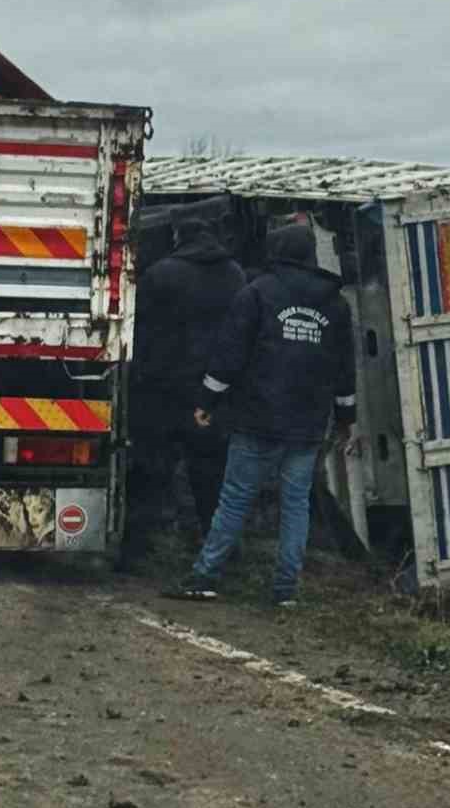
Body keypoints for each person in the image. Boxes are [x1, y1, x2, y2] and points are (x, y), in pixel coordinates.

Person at [173, 221, 357, 608]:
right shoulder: (335, 304)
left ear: (276, 252)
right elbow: (343, 370)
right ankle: (286, 590)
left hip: (257, 418)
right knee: (296, 506)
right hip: (306, 425)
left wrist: (207, 402)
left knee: (235, 499)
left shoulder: (257, 293)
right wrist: (345, 419)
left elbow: (229, 355)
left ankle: (206, 576)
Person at [121, 215, 245, 568]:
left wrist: (140, 376)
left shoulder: (160, 274)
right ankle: (222, 553)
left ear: (178, 237)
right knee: (212, 478)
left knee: (149, 473)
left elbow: (137, 329)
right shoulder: (234, 275)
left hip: (162, 392)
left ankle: (134, 553)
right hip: (211, 394)